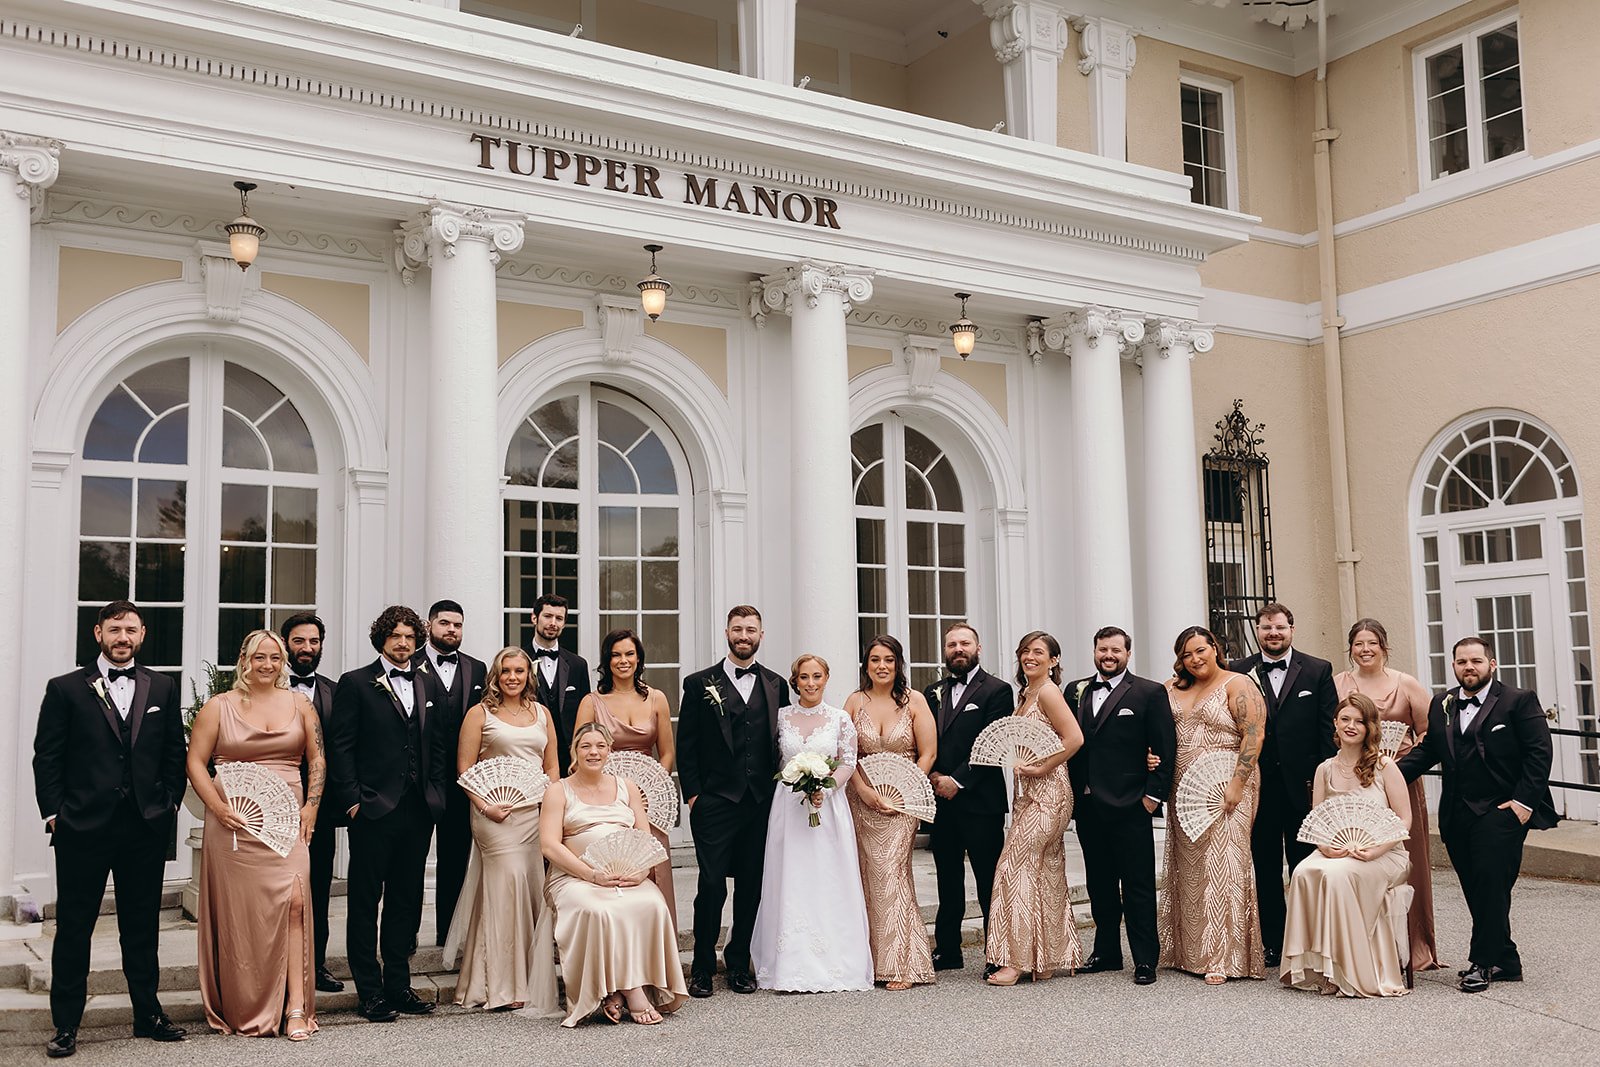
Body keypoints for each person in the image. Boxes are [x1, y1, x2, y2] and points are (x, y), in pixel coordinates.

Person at [32, 600, 187, 1058]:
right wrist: (55, 812)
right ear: (97, 633)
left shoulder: (162, 685)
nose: (123, 638)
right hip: (82, 826)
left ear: (142, 635)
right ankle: (65, 1025)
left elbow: (173, 752)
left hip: (145, 826)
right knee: (75, 927)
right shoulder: (65, 689)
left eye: (131, 630)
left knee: (142, 927)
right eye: (115, 629)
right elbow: (48, 756)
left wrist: (169, 804)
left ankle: (148, 1014)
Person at [1398, 636, 1557, 993]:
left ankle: (1482, 962)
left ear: (1492, 664)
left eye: (1476, 661)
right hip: (1457, 814)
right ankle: (1507, 959)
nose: (1469, 667)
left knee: (1490, 882)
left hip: (1501, 811)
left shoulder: (1518, 701)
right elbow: (1427, 754)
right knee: (1478, 886)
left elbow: (1538, 754)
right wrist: (1380, 776)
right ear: (1453, 666)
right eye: (1461, 662)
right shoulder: (1443, 703)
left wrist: (1522, 805)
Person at [188, 630, 324, 1038]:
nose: (267, 665)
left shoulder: (301, 705)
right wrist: (218, 807)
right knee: (243, 918)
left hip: (287, 823)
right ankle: (247, 1003)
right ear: (243, 660)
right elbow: (195, 762)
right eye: (259, 657)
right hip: (234, 826)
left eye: (275, 658)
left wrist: (311, 806)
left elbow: (316, 759)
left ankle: (296, 1008)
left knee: (296, 902)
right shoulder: (219, 707)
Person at [327, 605, 451, 1023]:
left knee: (406, 900)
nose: (403, 643)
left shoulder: (427, 682)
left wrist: (435, 794)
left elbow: (436, 746)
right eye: (395, 636)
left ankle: (398, 985)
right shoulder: (356, 683)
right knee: (364, 901)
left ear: (418, 641)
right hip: (372, 809)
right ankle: (369, 992)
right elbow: (340, 747)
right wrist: (353, 800)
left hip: (417, 810)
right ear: (381, 639)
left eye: (409, 637)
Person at [542, 722, 688, 1026]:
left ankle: (617, 991)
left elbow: (644, 839)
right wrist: (590, 875)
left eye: (600, 746)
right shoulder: (559, 791)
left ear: (610, 750)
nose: (593, 752)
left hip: (626, 875)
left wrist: (641, 872)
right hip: (574, 877)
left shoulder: (628, 787)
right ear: (575, 751)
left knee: (652, 903)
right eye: (585, 746)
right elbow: (550, 845)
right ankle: (632, 992)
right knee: (599, 910)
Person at [676, 605, 789, 998]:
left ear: (761, 634)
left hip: (760, 802)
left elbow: (779, 742)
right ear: (726, 632)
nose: (744, 635)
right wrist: (693, 796)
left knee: (751, 885)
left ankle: (739, 963)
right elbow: (685, 746)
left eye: (751, 629)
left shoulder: (776, 684)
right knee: (710, 885)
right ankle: (703, 966)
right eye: (738, 629)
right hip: (714, 801)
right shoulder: (697, 683)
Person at [444, 647, 560, 1014]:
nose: (513, 677)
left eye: (520, 671)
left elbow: (552, 767)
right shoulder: (480, 714)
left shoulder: (541, 713)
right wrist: (485, 806)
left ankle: (527, 978)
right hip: (493, 814)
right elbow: (464, 770)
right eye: (506, 671)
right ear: (496, 675)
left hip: (534, 813)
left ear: (529, 675)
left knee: (529, 890)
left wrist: (551, 806)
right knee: (504, 888)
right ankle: (499, 983)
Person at [750, 654, 874, 991]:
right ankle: (788, 961)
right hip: (788, 807)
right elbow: (771, 758)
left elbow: (848, 761)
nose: (810, 683)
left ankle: (835, 958)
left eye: (817, 676)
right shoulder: (781, 717)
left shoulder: (840, 719)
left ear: (826, 678)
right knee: (789, 874)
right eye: (804, 677)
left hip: (828, 808)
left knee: (827, 875)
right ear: (795, 681)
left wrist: (826, 788)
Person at [1280, 693, 1414, 998]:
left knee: (1339, 876)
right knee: (1303, 871)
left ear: (1369, 727)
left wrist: (1377, 849)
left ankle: (1347, 970)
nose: (1351, 726)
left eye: (1359, 721)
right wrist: (1326, 848)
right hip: (1335, 851)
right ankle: (1318, 968)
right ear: (1335, 724)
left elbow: (1404, 820)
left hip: (1385, 853)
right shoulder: (1324, 769)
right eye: (1345, 719)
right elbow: (1317, 821)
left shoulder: (1384, 766)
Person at [1064, 626, 1175, 986]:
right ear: (1094, 651)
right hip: (1089, 804)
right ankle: (1107, 951)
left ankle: (1144, 959)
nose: (1108, 656)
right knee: (1100, 883)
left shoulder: (1149, 693)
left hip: (1131, 804)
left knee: (1138, 884)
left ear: (1128, 653)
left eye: (1115, 650)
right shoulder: (1075, 690)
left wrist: (1151, 798)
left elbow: (1164, 747)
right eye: (1102, 650)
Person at [1228, 603, 1337, 968]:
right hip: (1257, 787)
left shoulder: (1318, 670)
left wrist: (1323, 784)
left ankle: (1309, 940)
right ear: (1257, 630)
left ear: (1292, 629)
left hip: (1304, 787)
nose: (1273, 634)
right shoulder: (1238, 671)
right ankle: (1273, 942)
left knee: (1305, 866)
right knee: (1265, 866)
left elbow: (1327, 732)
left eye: (1279, 628)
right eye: (1266, 628)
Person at [1160, 625, 1268, 984]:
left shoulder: (1237, 684)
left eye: (1200, 651)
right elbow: (1155, 732)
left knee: (1224, 866)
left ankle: (1225, 957)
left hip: (1227, 785)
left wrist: (1238, 784)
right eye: (1186, 654)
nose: (1194, 659)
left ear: (1215, 649)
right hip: (1184, 789)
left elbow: (1254, 733)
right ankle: (1189, 953)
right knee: (1189, 868)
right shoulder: (1171, 688)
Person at [1333, 618, 1442, 972]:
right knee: (1357, 856)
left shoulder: (1405, 684)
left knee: (1406, 860)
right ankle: (1363, 945)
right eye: (1358, 643)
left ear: (1384, 647)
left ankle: (1412, 946)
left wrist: (1397, 770)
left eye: (1372, 643)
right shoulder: (1338, 684)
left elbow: (1430, 734)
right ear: (1350, 648)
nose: (1365, 649)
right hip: (1353, 786)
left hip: (1401, 782)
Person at [985, 632, 1086, 986]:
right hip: (1027, 793)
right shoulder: (1025, 694)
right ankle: (1047, 958)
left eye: (1038, 652)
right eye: (1025, 651)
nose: (1030, 657)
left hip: (1049, 792)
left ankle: (1015, 960)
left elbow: (1074, 738)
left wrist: (1043, 766)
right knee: (1046, 868)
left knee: (1015, 866)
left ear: (1053, 660)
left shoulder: (1047, 692)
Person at [846, 636, 938, 990]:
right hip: (864, 797)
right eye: (874, 660)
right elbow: (845, 753)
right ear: (866, 665)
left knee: (892, 873)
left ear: (899, 664)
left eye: (888, 660)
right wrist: (864, 790)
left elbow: (927, 752)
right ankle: (871, 961)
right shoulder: (855, 702)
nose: (881, 666)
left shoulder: (914, 701)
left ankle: (904, 963)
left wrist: (906, 787)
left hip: (902, 799)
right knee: (868, 875)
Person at [922, 623, 1011, 974]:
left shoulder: (997, 690)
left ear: (978, 647)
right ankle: (947, 949)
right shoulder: (932, 691)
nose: (958, 649)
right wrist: (933, 777)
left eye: (964, 643)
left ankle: (997, 952)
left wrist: (957, 780)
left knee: (989, 879)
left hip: (980, 800)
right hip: (941, 801)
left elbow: (993, 744)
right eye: (951, 644)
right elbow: (927, 739)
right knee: (947, 877)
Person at [574, 629, 679, 928]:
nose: (623, 660)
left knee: (653, 866)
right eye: (616, 654)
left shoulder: (657, 698)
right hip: (608, 798)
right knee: (617, 870)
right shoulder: (591, 702)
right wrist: (613, 794)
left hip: (648, 797)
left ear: (639, 659)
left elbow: (667, 753)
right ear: (607, 661)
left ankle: (657, 950)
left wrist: (652, 786)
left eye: (629, 654)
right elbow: (579, 754)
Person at [415, 599, 487, 947]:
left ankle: (449, 935)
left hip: (462, 779)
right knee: (410, 862)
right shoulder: (408, 664)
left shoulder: (477, 668)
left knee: (455, 859)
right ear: (430, 625)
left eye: (457, 625)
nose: (451, 630)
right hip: (417, 780)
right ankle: (407, 936)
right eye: (444, 623)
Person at [280, 611, 346, 994]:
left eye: (314, 642)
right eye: (300, 641)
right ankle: (276, 967)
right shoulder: (263, 688)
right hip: (273, 806)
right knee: (277, 890)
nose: (307, 649)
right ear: (286, 643)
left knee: (317, 888)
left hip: (319, 808)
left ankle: (315, 965)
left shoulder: (336, 691)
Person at [527, 593, 590, 776]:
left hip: (569, 758)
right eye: (547, 616)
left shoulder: (578, 665)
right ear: (534, 617)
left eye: (559, 618)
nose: (553, 623)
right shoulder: (519, 660)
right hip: (532, 752)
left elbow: (585, 712)